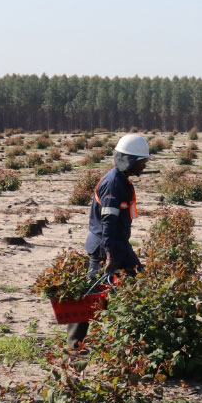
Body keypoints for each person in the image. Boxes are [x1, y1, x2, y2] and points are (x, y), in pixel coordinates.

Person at [67, 134, 150, 350]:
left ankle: (136, 336)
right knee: (92, 294)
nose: (145, 165)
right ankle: (75, 345)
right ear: (130, 161)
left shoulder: (122, 181)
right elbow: (108, 223)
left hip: (119, 245)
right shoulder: (113, 184)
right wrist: (110, 255)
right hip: (106, 246)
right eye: (142, 161)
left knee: (139, 283)